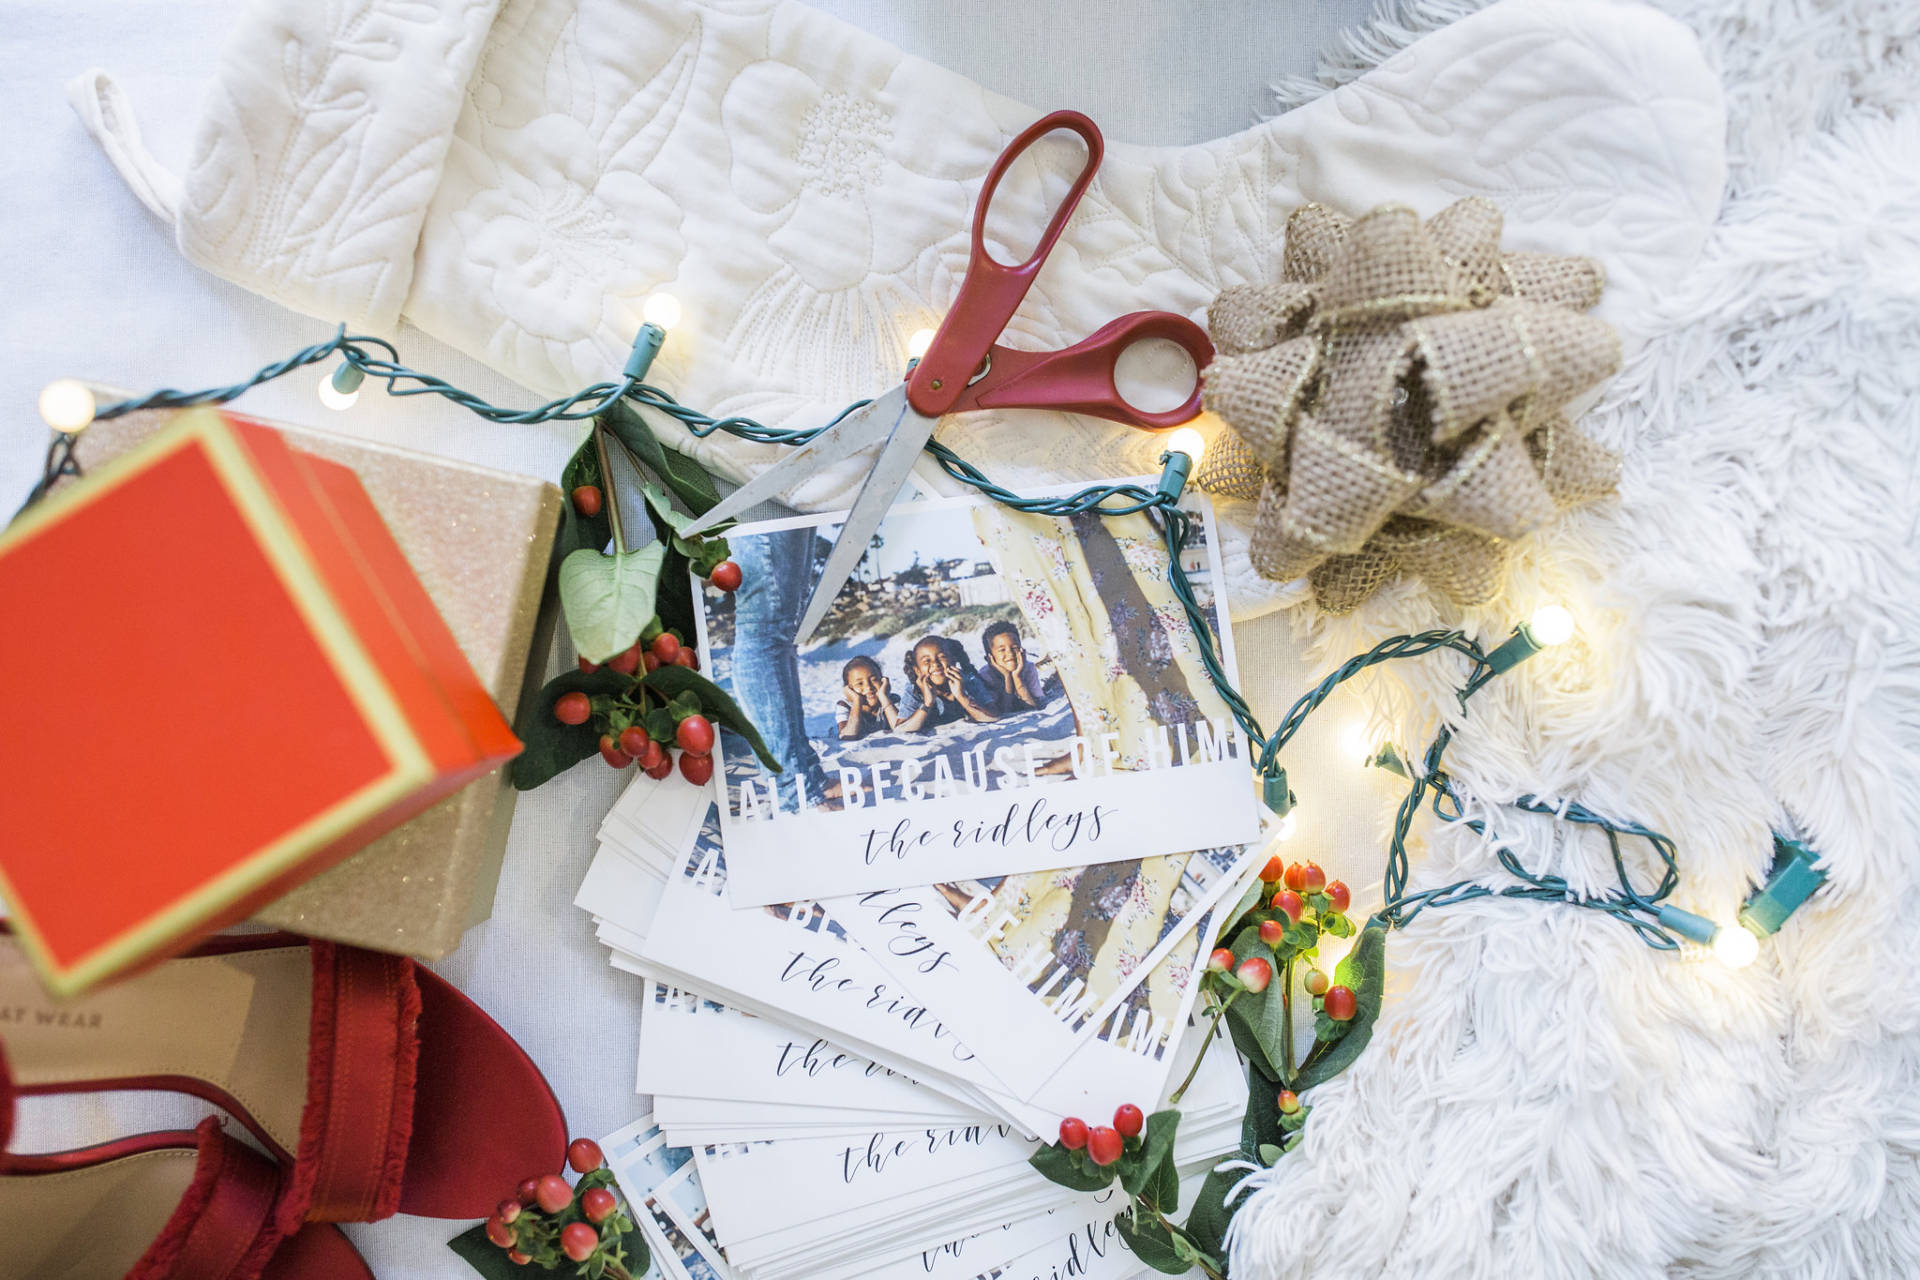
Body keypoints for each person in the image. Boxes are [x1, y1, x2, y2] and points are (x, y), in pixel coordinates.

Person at [896, 635, 998, 733]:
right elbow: (900, 729)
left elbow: (993, 716)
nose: (935, 664)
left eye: (942, 657)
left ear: (953, 660)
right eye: (927, 661)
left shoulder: (968, 680)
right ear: (917, 670)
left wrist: (962, 696)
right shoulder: (914, 689)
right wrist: (927, 703)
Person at [980, 620, 1053, 714]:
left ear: (1022, 650)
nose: (1010, 653)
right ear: (989, 658)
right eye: (1002, 650)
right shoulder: (986, 676)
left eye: (1014, 648)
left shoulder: (1028, 668)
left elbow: (1033, 707)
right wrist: (1007, 678)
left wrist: (1017, 678)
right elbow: (1005, 711)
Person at [837, 655, 902, 740]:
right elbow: (848, 736)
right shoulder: (845, 705)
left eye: (874, 680)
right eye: (860, 683)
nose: (868, 687)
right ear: (849, 689)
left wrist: (883, 696)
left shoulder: (892, 700)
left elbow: (901, 729)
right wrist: (857, 701)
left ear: (882, 680)